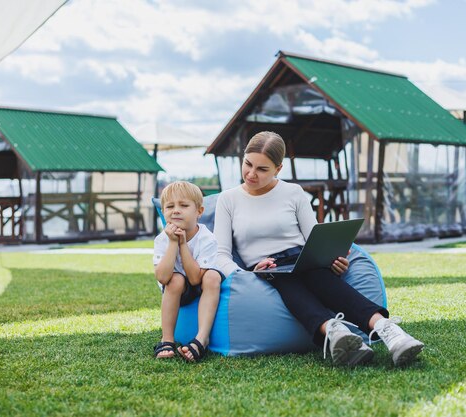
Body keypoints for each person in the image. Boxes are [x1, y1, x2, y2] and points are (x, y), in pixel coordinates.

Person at [213, 131, 424, 367]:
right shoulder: (228, 199)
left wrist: (331, 258)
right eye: (248, 164)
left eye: (262, 169)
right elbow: (221, 254)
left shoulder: (293, 193)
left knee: (325, 281)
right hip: (267, 268)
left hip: (302, 258)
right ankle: (336, 331)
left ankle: (389, 331)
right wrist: (244, 275)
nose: (251, 174)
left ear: (278, 169)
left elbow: (315, 237)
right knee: (289, 285)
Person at [153, 181, 224, 362]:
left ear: (199, 212)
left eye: (183, 205)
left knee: (213, 276)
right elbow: (162, 277)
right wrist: (172, 243)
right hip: (178, 289)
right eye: (170, 206)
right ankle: (167, 339)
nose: (176, 210)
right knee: (175, 279)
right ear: (163, 212)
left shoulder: (207, 238)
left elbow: (194, 279)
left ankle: (202, 338)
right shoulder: (162, 239)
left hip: (199, 283)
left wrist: (183, 244)